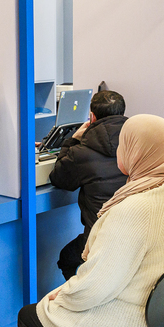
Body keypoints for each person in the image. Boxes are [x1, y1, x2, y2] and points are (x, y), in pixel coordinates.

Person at [18, 114, 164, 327]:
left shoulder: (135, 209)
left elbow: (95, 288)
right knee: (63, 306)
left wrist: (62, 297)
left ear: (134, 151)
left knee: (33, 317)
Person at [48, 90, 128, 280]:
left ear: (91, 117)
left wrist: (73, 140)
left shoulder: (82, 152)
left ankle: (78, 299)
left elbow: (58, 178)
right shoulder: (136, 145)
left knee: (67, 259)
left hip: (98, 240)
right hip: (131, 237)